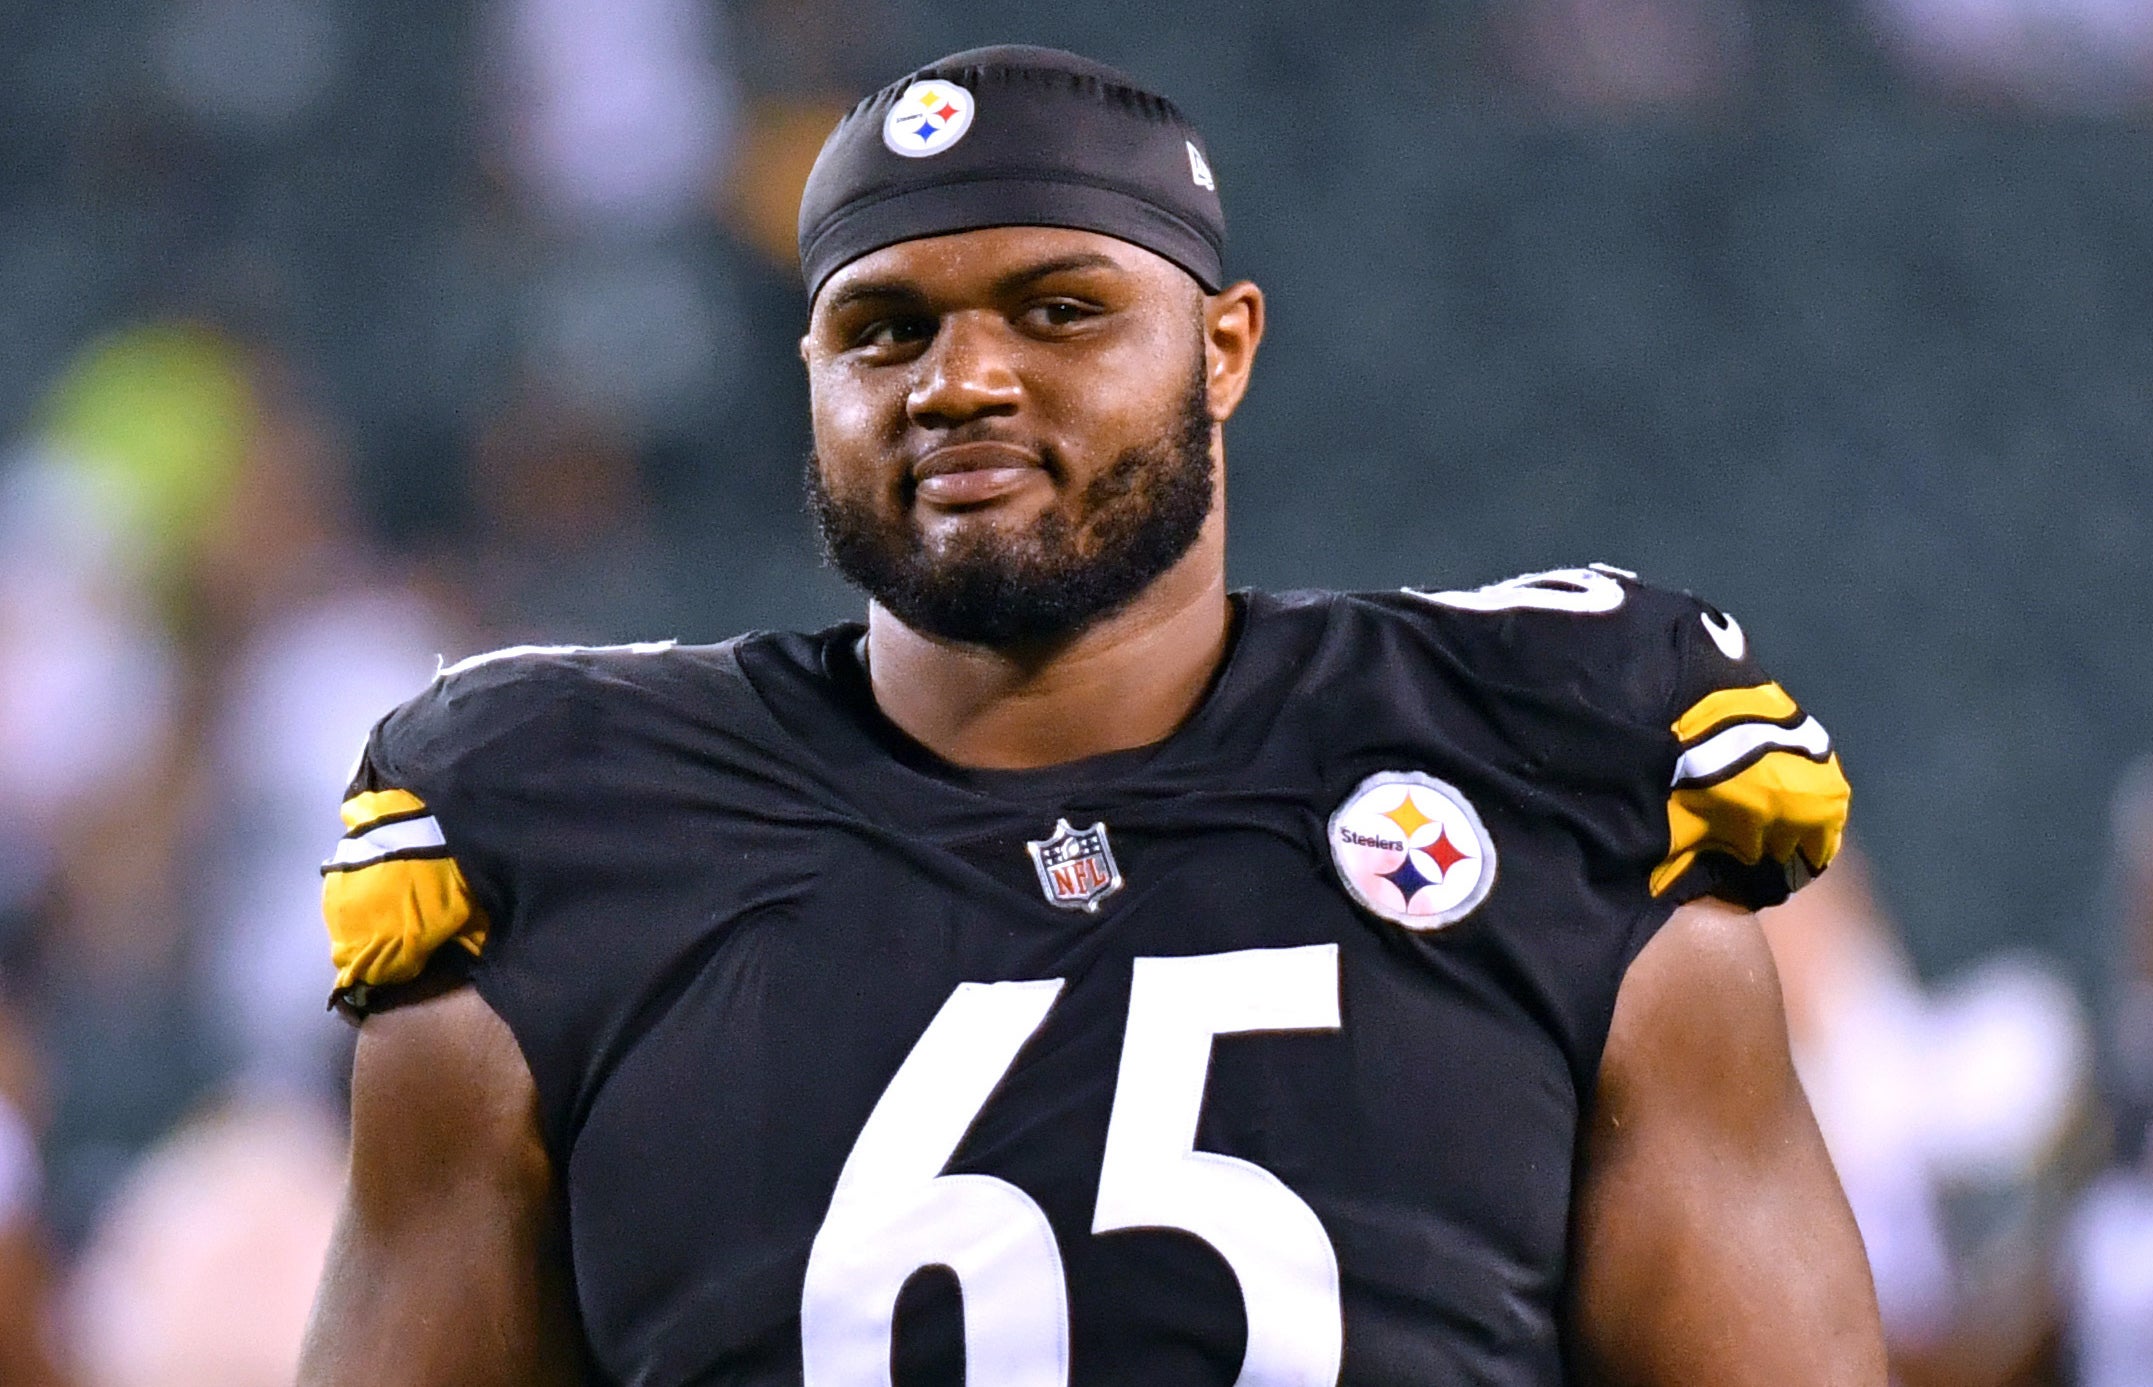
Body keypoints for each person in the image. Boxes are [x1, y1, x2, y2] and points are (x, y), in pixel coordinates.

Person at [298, 45, 1885, 1386]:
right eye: (884, 328)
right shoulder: (561, 839)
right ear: (811, 374)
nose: (959, 380)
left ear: (1222, 348)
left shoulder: (1543, 784)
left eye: (1057, 310)